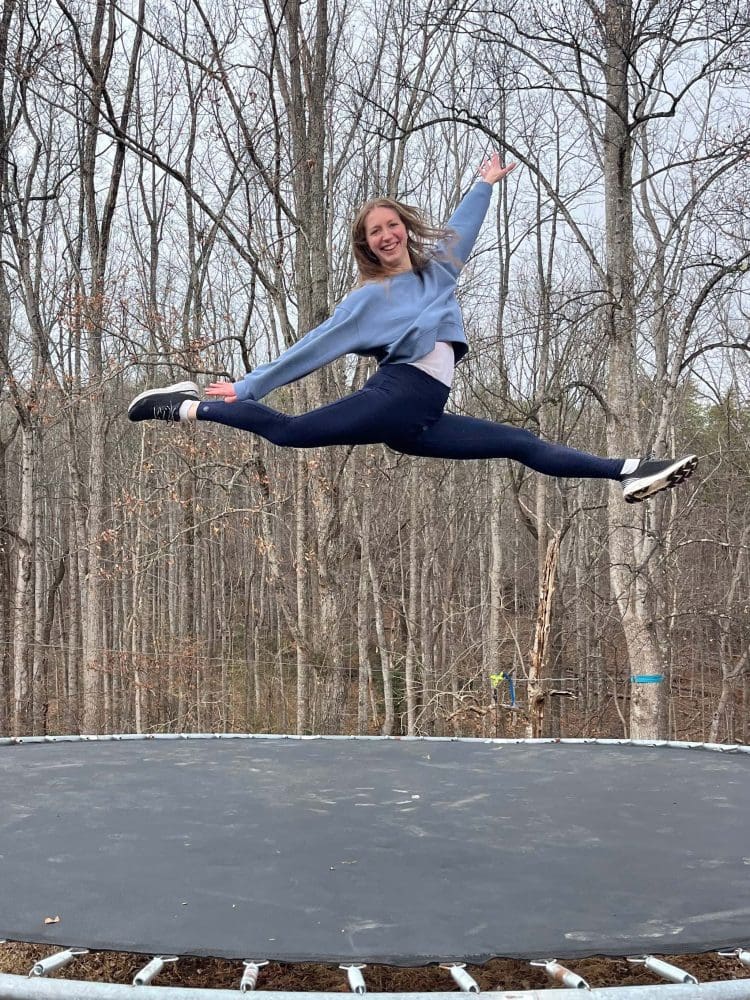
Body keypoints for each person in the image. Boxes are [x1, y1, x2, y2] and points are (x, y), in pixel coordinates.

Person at [128, 153, 697, 503]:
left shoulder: (437, 274)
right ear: (366, 243)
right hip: (398, 394)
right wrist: (254, 383)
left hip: (420, 418)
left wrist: (485, 184)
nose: (386, 235)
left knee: (520, 444)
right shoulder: (370, 299)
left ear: (404, 228)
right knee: (287, 432)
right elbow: (319, 344)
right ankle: (180, 404)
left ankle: (627, 471)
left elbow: (460, 231)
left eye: (392, 225)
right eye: (374, 231)